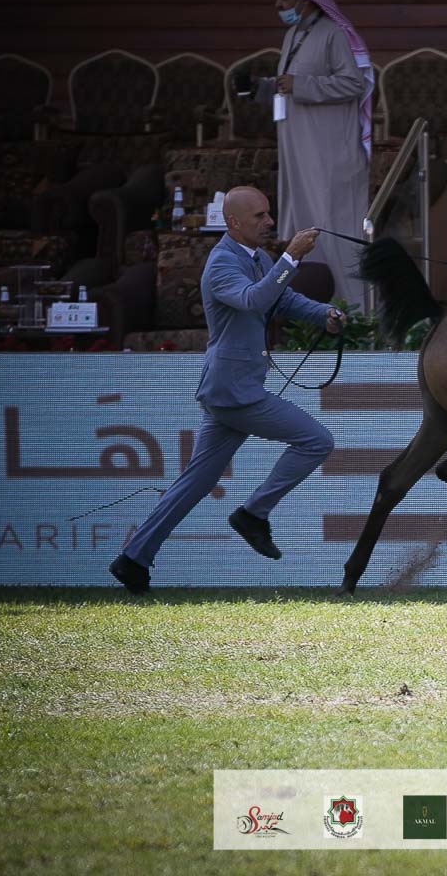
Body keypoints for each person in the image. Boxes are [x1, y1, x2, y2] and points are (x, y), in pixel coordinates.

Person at [107, 187, 344, 595]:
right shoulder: (221, 263)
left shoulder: (258, 258)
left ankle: (132, 560)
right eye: (259, 216)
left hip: (229, 390)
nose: (269, 222)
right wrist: (291, 257)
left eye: (268, 214)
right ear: (233, 222)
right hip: (236, 393)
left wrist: (324, 313)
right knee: (316, 441)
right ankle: (253, 514)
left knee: (194, 483)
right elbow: (254, 300)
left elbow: (282, 299)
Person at [246, 0, 374, 311]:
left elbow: (354, 83)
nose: (278, 5)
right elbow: (290, 86)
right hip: (299, 153)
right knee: (302, 224)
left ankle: (352, 311)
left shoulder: (334, 33)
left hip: (330, 154)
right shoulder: (293, 35)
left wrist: (300, 85)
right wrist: (264, 88)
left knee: (332, 227)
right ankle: (309, 308)